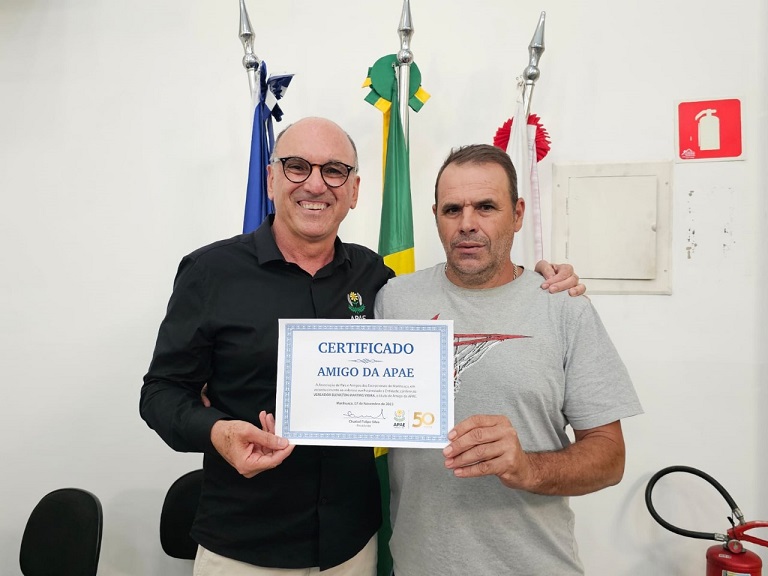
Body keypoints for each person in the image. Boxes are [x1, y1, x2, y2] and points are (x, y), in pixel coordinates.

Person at [140, 117, 584, 576]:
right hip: (244, 547)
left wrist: (542, 282)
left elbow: (461, 307)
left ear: (354, 191)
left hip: (352, 548)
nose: (315, 184)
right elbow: (161, 392)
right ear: (271, 179)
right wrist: (217, 431)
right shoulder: (210, 272)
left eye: (334, 170)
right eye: (296, 166)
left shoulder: (376, 279)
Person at [373, 144, 643, 575]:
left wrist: (528, 467)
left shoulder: (563, 307)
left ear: (517, 215)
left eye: (486, 207)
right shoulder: (394, 300)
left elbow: (610, 458)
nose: (467, 224)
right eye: (452, 209)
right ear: (436, 216)